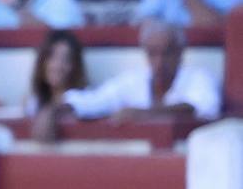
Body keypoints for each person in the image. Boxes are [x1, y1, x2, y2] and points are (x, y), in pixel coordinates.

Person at [67, 18, 225, 123]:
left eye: (167, 53)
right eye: (153, 53)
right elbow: (94, 102)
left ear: (180, 53)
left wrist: (144, 113)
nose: (160, 61)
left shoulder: (199, 77)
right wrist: (54, 110)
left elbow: (202, 108)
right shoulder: (132, 81)